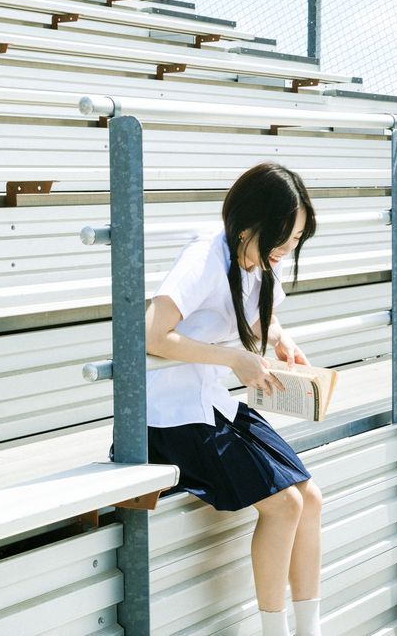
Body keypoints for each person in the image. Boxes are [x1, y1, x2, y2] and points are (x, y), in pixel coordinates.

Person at [113, 162, 323, 636]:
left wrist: (278, 340)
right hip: (172, 417)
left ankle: (311, 628)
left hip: (213, 405)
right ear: (251, 225)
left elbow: (257, 315)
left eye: (294, 242)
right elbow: (150, 334)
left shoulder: (258, 259)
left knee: (311, 499)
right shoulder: (206, 255)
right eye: (283, 239)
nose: (286, 251)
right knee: (285, 505)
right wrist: (232, 359)